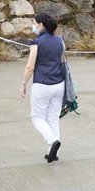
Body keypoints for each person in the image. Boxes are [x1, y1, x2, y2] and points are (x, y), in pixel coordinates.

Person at [20, 12, 66, 163]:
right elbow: (62, 63)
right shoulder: (59, 40)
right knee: (53, 117)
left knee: (37, 117)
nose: (33, 25)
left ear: (40, 25)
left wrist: (23, 84)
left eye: (34, 22)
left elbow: (30, 67)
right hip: (59, 84)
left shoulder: (36, 43)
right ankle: (52, 152)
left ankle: (52, 141)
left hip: (42, 84)